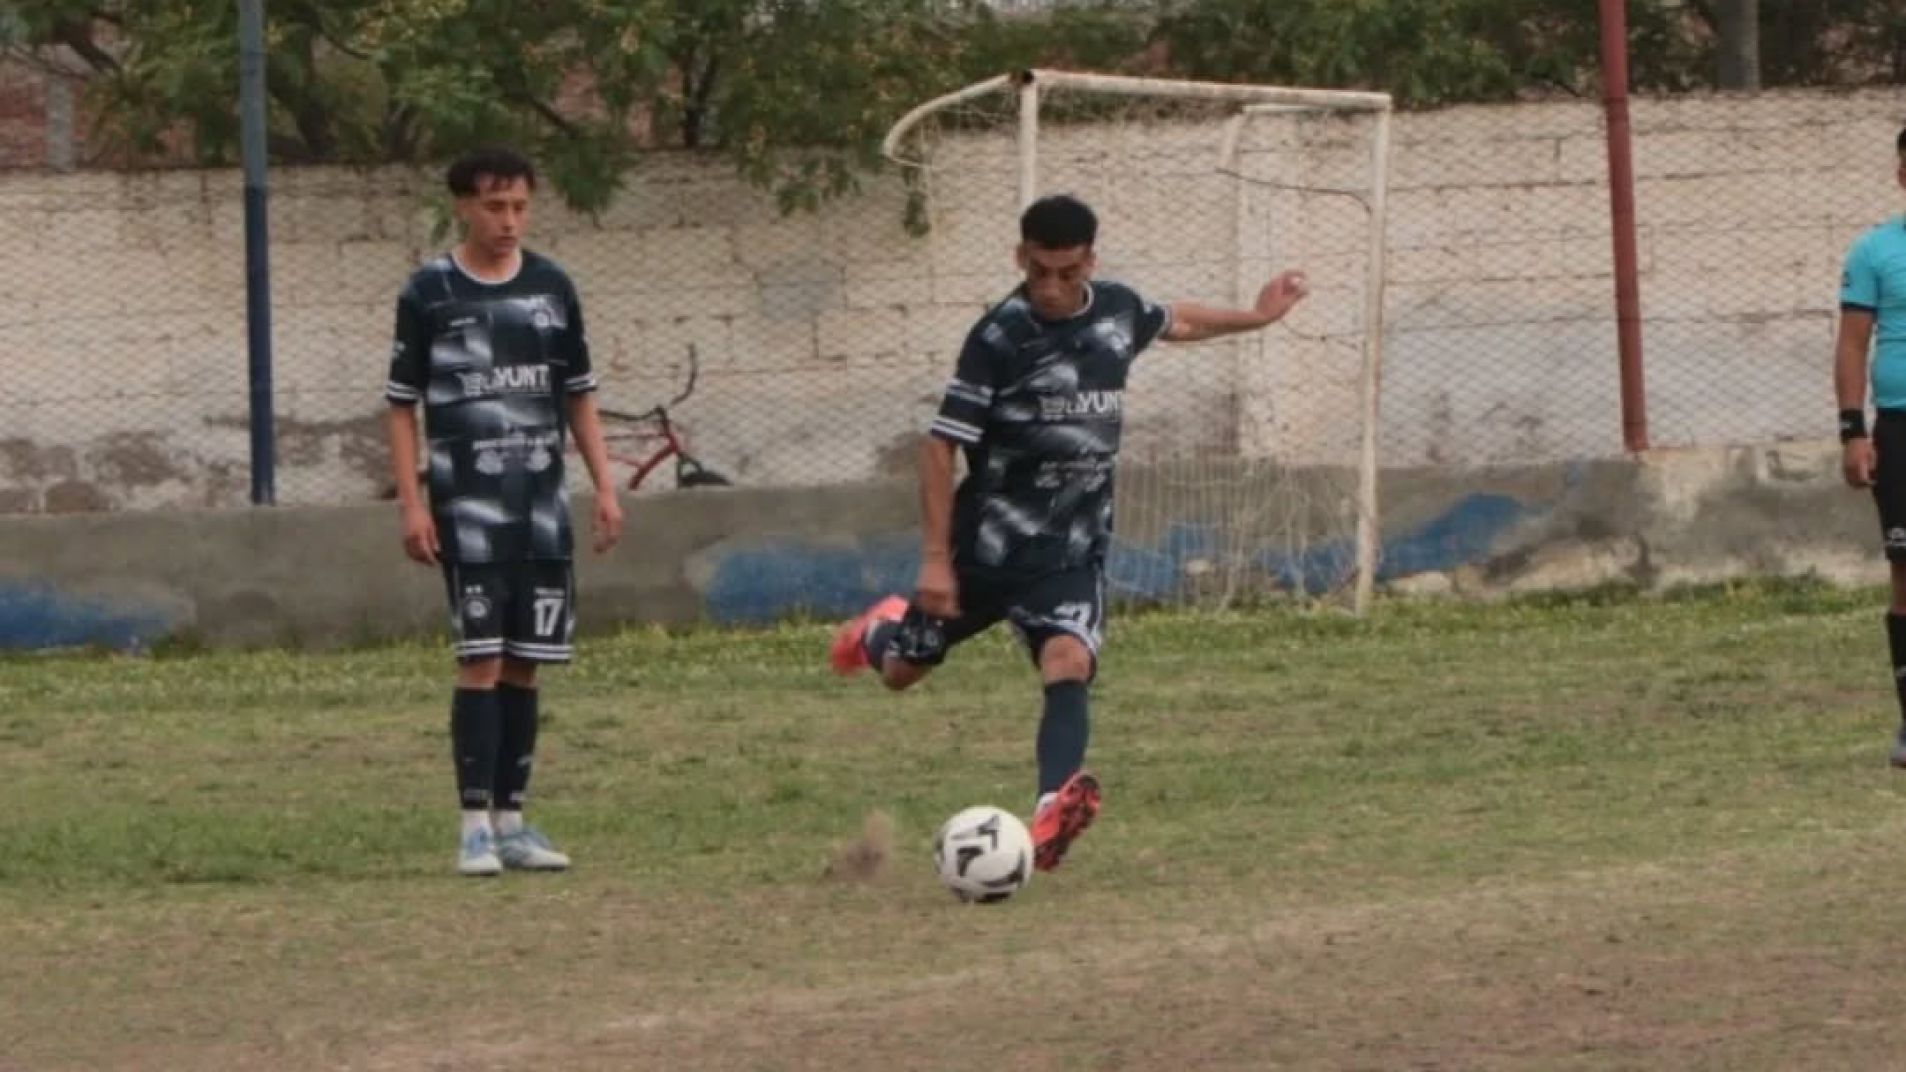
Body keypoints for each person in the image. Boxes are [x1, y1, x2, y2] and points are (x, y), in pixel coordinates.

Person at [829, 194, 1309, 871]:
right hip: (983, 551)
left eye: (1067, 272)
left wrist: (1257, 316)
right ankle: (877, 631)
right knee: (902, 672)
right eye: (1038, 272)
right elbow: (939, 448)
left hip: (1069, 552)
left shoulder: (1116, 311)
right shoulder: (998, 337)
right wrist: (936, 561)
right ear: (1020, 258)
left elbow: (1176, 322)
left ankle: (1053, 805)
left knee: (1068, 661)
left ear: (1090, 261)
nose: (1052, 288)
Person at [384, 147, 623, 876]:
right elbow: (402, 407)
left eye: (519, 205)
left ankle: (513, 821)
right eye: (494, 206)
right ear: (462, 205)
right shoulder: (429, 292)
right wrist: (412, 503)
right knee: (481, 662)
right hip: (469, 510)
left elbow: (577, 393)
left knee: (528, 664)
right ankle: (473, 828)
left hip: (540, 509)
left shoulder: (552, 288)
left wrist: (605, 487)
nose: (509, 220)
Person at [1836, 125, 1906, 769]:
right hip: (1900, 429)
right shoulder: (1875, 252)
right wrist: (1853, 431)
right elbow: (1853, 343)